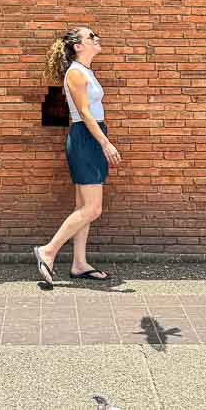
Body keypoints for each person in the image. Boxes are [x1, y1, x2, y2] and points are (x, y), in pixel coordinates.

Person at [33, 26, 122, 285]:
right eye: (91, 36)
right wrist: (105, 143)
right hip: (86, 137)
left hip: (91, 135)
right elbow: (84, 112)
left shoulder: (85, 72)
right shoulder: (75, 73)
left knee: (83, 207)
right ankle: (48, 250)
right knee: (93, 208)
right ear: (78, 46)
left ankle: (79, 264)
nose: (97, 38)